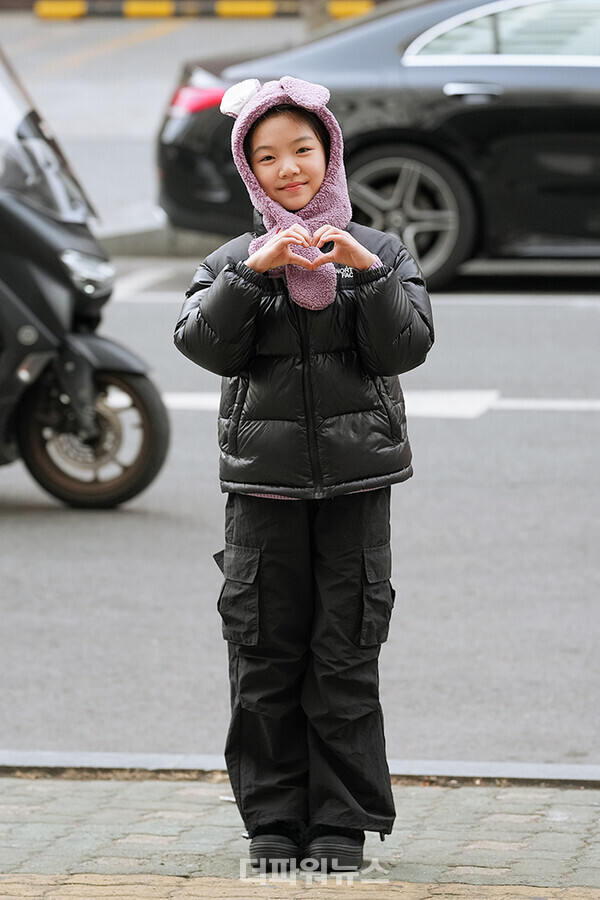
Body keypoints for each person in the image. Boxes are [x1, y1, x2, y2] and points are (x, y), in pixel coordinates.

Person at [174, 76, 434, 873]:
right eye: (268, 157)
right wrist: (250, 275)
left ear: (330, 153)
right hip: (262, 493)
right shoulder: (230, 260)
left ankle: (340, 828)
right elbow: (202, 346)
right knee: (263, 656)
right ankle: (272, 825)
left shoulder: (382, 251)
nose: (290, 170)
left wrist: (363, 270)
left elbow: (406, 348)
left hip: (357, 490)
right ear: (250, 171)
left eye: (302, 151)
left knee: (345, 658)